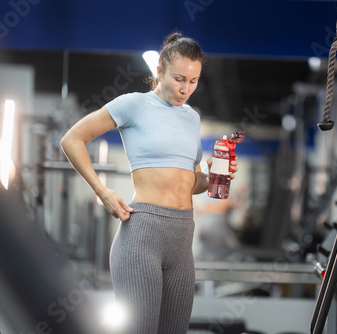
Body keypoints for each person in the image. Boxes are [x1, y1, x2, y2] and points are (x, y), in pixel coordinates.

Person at [60, 32, 238, 334]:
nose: (185, 89)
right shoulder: (134, 105)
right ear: (159, 71)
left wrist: (213, 177)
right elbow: (72, 139)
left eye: (193, 81)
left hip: (182, 239)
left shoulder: (192, 118)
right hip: (142, 237)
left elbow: (190, 184)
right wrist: (101, 191)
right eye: (178, 78)